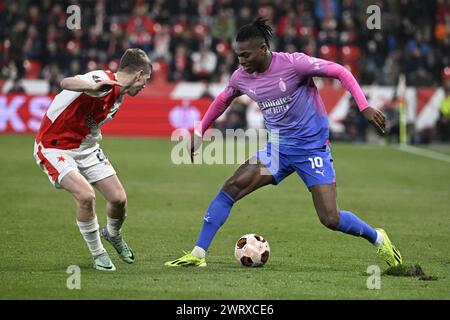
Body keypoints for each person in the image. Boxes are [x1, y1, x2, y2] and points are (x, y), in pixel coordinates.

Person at [165, 18, 402, 268]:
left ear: (263, 49)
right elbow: (223, 100)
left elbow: (340, 71)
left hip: (311, 149)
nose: (241, 61)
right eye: (238, 55)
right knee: (231, 188)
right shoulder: (241, 77)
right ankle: (198, 254)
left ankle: (378, 238)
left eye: (245, 55)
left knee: (330, 218)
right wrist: (200, 131)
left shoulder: (293, 64)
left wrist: (363, 106)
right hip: (277, 149)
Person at [33, 48, 152, 271]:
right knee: (86, 196)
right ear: (138, 75)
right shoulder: (102, 80)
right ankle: (98, 253)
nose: (145, 85)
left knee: (118, 199)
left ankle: (113, 234)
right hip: (54, 146)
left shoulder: (119, 95)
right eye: (146, 79)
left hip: (86, 146)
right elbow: (66, 82)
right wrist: (90, 86)